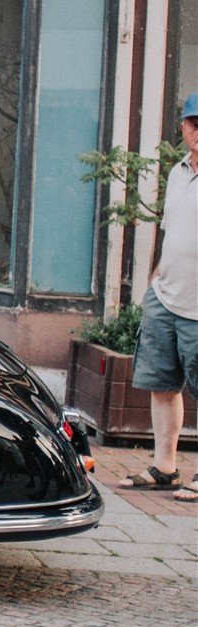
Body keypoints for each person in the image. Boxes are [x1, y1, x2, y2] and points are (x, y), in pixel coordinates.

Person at [117, 92, 198, 502]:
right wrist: (155, 276)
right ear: (184, 127)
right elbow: (172, 231)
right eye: (194, 123)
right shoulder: (179, 173)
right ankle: (165, 467)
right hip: (166, 298)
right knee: (162, 386)